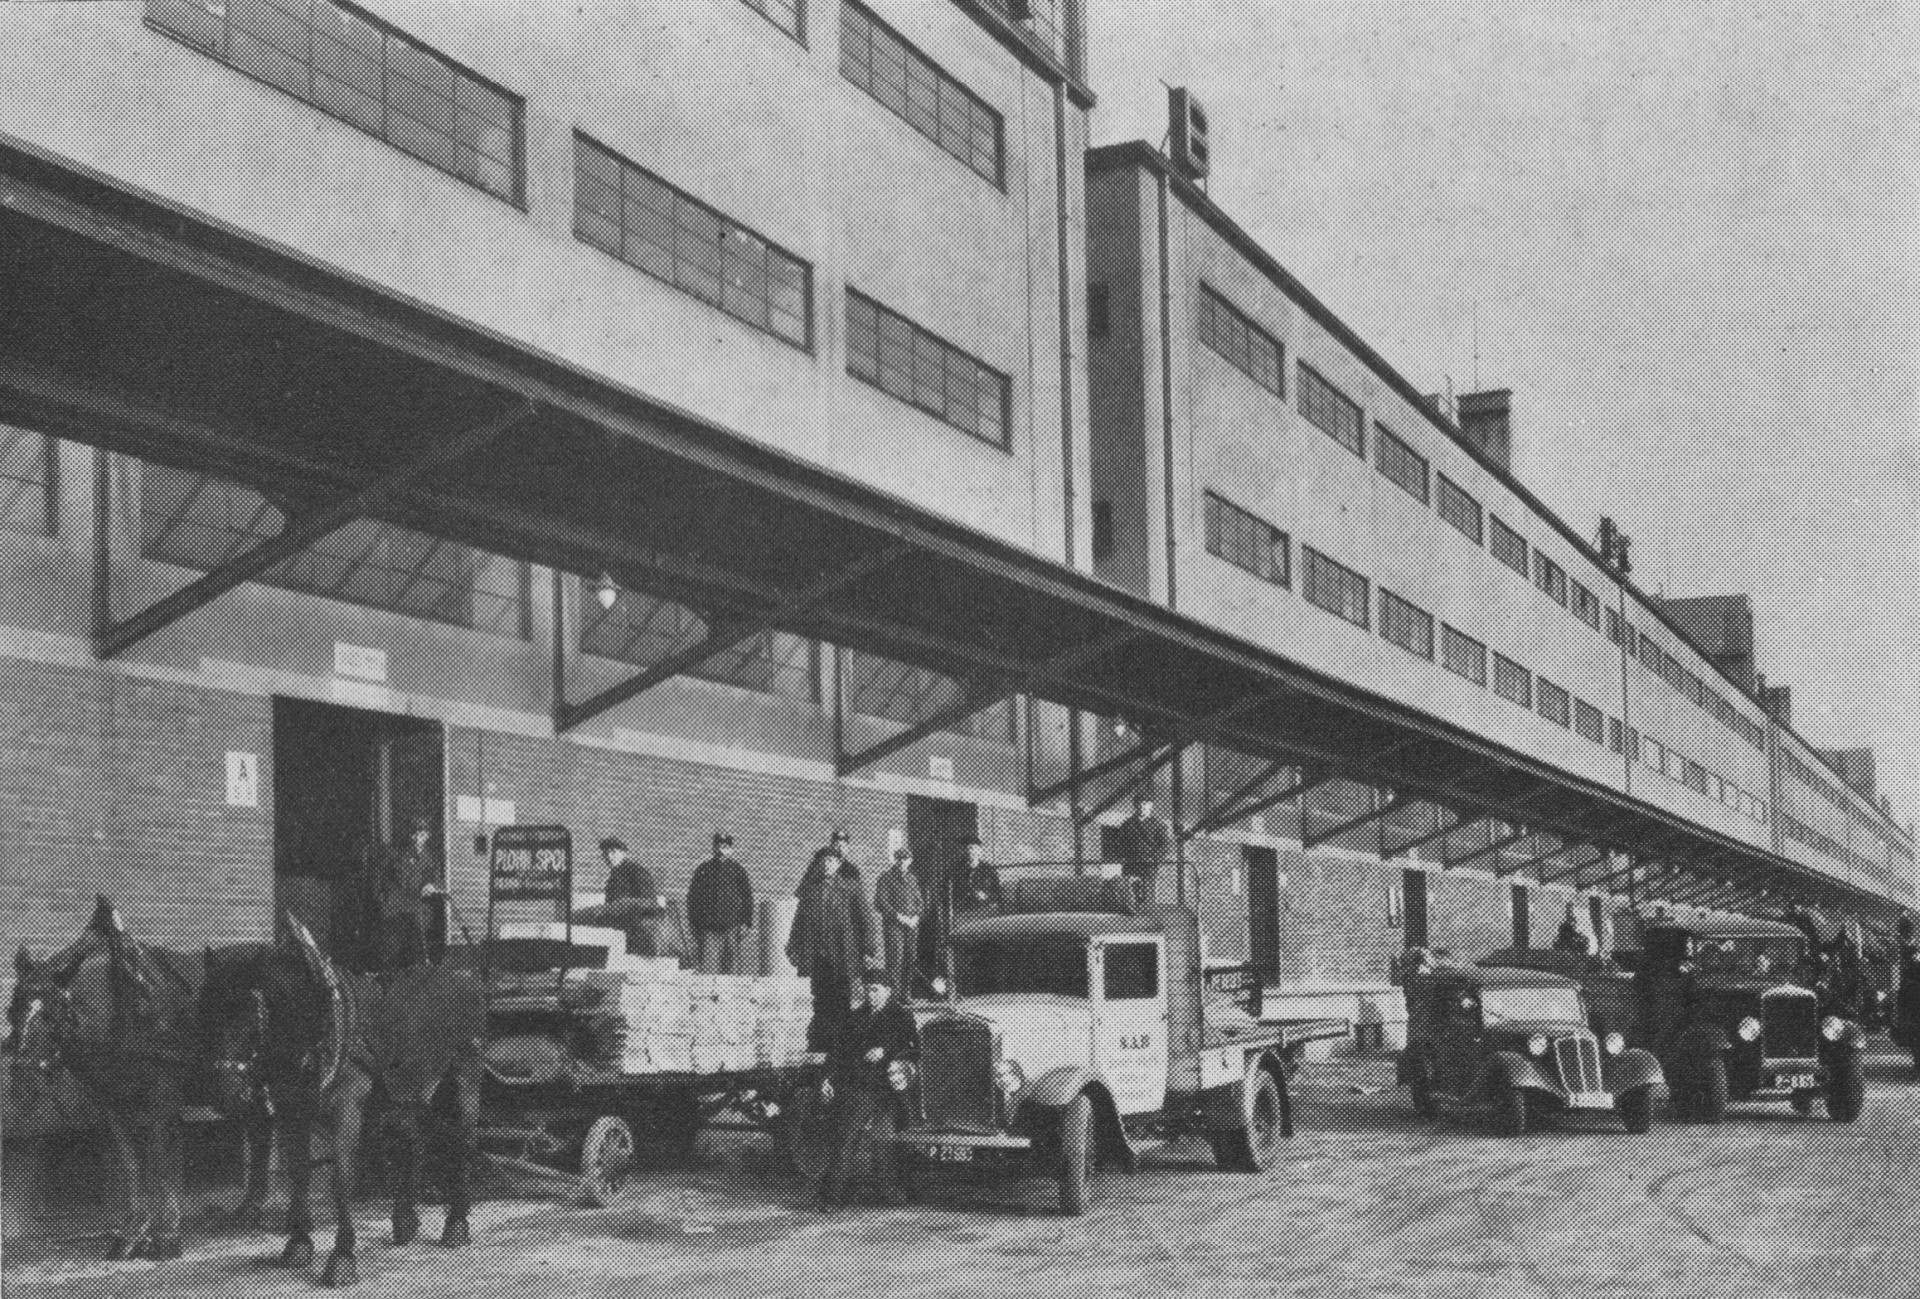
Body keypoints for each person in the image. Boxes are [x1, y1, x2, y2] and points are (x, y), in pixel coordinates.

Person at [814, 964, 920, 1209]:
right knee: (845, 1141)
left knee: (884, 1143)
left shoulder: (902, 1017)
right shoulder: (855, 1017)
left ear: (888, 990)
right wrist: (828, 1078)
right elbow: (838, 1053)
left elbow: (915, 1051)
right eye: (867, 990)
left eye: (875, 990)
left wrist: (888, 1051)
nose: (870, 995)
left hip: (888, 1090)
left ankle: (890, 1192)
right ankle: (832, 1198)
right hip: (858, 1088)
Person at [790, 831, 874, 1051]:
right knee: (820, 1000)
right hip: (818, 955)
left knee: (842, 999)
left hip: (843, 953)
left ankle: (843, 1046)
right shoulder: (811, 890)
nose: (827, 864)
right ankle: (820, 1045)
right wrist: (794, 947)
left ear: (838, 864)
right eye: (824, 861)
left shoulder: (850, 888)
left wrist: (868, 949)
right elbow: (799, 921)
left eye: (832, 861)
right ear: (819, 864)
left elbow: (866, 918)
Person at [370, 815, 436, 973]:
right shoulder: (398, 855)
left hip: (415, 903)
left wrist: (431, 885)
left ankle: (419, 963)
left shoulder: (428, 858)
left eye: (421, 834)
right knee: (392, 940)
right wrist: (382, 899)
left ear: (427, 836)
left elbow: (435, 879)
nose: (416, 838)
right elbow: (383, 878)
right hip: (395, 903)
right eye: (414, 834)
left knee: (419, 920)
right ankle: (387, 969)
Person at [688, 832, 754, 975]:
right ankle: (707, 997)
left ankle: (731, 997)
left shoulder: (738, 870)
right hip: (708, 928)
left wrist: (746, 923)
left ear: (731, 849)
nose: (721, 849)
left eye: (725, 846)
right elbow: (692, 898)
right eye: (717, 846)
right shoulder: (703, 869)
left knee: (731, 970)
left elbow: (747, 898)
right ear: (713, 848)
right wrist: (693, 923)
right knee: (708, 970)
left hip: (731, 927)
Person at [602, 837, 669, 958]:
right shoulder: (614, 876)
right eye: (605, 853)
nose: (609, 856)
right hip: (619, 931)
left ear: (623, 853)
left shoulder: (636, 872)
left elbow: (649, 903)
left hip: (637, 932)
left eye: (613, 852)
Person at [873, 847, 925, 995]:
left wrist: (916, 917)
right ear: (895, 860)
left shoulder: (912, 879)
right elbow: (880, 902)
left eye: (906, 859)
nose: (903, 862)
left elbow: (920, 903)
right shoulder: (886, 878)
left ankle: (906, 993)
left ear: (910, 861)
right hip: (894, 926)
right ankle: (894, 995)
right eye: (900, 859)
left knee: (910, 958)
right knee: (895, 959)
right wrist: (899, 917)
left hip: (912, 926)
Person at [1113, 796, 1172, 902]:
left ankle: (1148, 916)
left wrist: (1155, 858)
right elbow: (1119, 843)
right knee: (1130, 895)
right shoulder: (1127, 824)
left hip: (1148, 865)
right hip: (1131, 864)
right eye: (1139, 803)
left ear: (1151, 806)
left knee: (1148, 895)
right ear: (1135, 805)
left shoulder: (1158, 824)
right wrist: (1122, 857)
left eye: (1146, 804)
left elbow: (1166, 845)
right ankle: (1131, 917)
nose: (1142, 807)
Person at [955, 836, 1002, 916]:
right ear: (961, 851)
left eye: (975, 848)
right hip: (963, 912)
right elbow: (950, 894)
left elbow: (998, 892)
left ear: (980, 851)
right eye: (968, 848)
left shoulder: (989, 870)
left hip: (986, 910)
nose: (971, 852)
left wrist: (986, 896)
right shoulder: (955, 870)